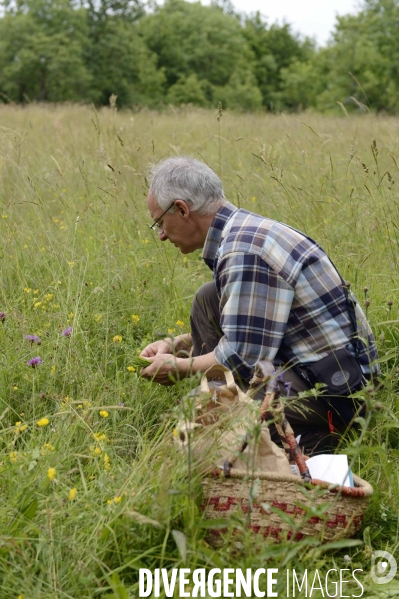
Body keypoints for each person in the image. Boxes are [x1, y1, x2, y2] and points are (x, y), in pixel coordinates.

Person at [140, 156, 379, 452]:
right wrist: (175, 344)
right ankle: (237, 416)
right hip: (319, 373)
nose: (161, 235)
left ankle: (313, 437)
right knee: (208, 298)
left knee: (195, 426)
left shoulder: (244, 251)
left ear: (181, 209)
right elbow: (250, 329)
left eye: (160, 223)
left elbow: (242, 356)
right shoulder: (244, 233)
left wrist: (181, 366)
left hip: (337, 397)